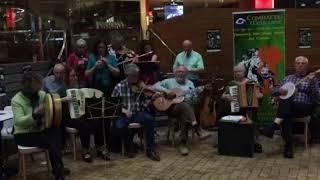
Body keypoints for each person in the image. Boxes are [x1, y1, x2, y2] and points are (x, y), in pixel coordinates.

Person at [11, 72, 70, 180]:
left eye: (40, 88)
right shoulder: (16, 100)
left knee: (56, 131)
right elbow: (19, 122)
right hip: (23, 135)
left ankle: (58, 170)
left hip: (39, 131)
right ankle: (58, 170)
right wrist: (35, 113)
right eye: (37, 89)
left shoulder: (41, 94)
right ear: (28, 89)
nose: (39, 91)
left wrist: (62, 100)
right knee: (53, 140)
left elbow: (51, 102)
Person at [261, 56, 317, 158]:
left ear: (306, 66)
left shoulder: (311, 79)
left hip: (304, 107)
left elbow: (316, 96)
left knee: (285, 104)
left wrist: (312, 83)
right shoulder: (288, 78)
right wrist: (280, 91)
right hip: (288, 109)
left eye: (303, 63)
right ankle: (289, 147)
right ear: (295, 65)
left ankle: (273, 127)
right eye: (298, 63)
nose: (300, 65)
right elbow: (273, 92)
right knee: (286, 114)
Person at [57, 67, 111, 162]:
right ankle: (85, 150)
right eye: (72, 76)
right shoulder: (63, 89)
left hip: (84, 114)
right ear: (67, 77)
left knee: (97, 120)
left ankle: (99, 147)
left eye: (76, 75)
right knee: (84, 126)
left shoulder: (82, 87)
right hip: (70, 117)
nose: (75, 77)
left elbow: (90, 101)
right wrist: (64, 99)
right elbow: (54, 102)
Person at [111, 63, 160, 161]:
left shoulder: (139, 87)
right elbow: (113, 106)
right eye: (133, 75)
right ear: (127, 75)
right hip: (123, 115)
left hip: (137, 113)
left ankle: (150, 149)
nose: (136, 78)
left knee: (150, 119)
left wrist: (151, 100)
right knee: (119, 126)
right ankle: (130, 146)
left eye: (137, 75)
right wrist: (124, 110)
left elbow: (144, 104)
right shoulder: (119, 86)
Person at [152, 66, 201, 156]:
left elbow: (195, 100)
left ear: (186, 74)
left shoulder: (190, 83)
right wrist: (166, 91)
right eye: (178, 71)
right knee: (184, 106)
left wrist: (195, 96)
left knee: (184, 106)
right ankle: (193, 121)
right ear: (175, 73)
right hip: (170, 108)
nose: (180, 73)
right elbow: (155, 86)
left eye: (183, 72)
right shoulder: (168, 81)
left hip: (184, 110)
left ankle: (183, 143)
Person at [221, 64, 263, 153]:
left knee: (251, 117)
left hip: (249, 108)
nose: (237, 73)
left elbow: (260, 95)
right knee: (229, 114)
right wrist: (227, 97)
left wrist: (256, 96)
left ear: (244, 72)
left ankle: (255, 142)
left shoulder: (251, 82)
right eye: (235, 72)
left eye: (239, 71)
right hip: (236, 108)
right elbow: (223, 95)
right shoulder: (232, 83)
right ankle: (233, 140)